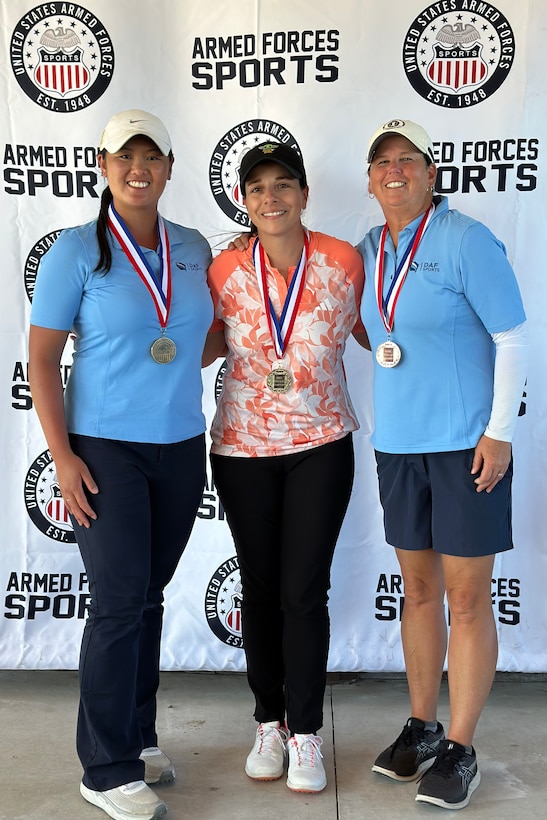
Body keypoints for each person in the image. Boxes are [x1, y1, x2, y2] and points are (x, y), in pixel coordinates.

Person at [28, 110, 213, 820]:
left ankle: (137, 736)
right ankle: (104, 769)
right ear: (104, 167)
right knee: (115, 603)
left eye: (151, 156)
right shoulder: (76, 251)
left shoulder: (192, 247)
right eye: (123, 156)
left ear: (169, 167)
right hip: (104, 447)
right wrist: (63, 455)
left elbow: (201, 337)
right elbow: (43, 360)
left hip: (178, 444)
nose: (138, 167)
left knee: (148, 596)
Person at [357, 119, 528, 810]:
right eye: (381, 163)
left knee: (464, 598)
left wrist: (498, 431)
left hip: (465, 445)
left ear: (431, 174)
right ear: (369, 181)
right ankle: (421, 726)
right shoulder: (370, 249)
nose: (393, 171)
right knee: (419, 593)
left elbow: (511, 336)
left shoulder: (464, 239)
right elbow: (375, 329)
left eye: (407, 160)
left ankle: (459, 747)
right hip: (397, 444)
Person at [203, 141, 368, 794]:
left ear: (303, 194)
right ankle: (266, 721)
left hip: (321, 444)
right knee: (262, 589)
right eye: (257, 188)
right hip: (242, 450)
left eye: (283, 185)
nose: (270, 198)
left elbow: (380, 328)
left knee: (304, 592)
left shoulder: (341, 260)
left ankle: (304, 734)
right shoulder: (222, 270)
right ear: (243, 201)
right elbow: (201, 338)